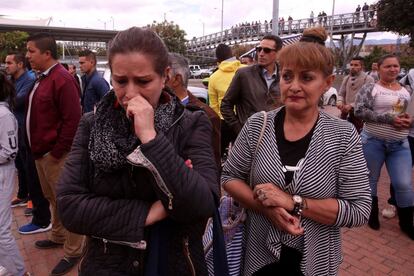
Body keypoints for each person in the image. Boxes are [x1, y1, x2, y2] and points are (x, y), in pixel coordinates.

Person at [56, 27, 219, 275]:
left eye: (143, 82)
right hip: (107, 264)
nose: (130, 94)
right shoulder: (92, 124)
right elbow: (70, 207)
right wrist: (147, 213)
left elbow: (202, 203)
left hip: (173, 261)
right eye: (121, 81)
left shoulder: (191, 123)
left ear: (165, 76)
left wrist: (151, 138)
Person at [221, 28, 371, 275]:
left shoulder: (342, 135)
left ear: (327, 83)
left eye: (307, 78)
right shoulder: (259, 124)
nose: (294, 86)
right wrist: (267, 209)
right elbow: (229, 178)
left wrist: (294, 202)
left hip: (316, 257)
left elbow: (359, 209)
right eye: (287, 76)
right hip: (259, 254)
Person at [25, 32, 84, 276]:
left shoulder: (61, 79)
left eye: (31, 51)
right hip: (42, 154)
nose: (27, 56)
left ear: (47, 54)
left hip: (55, 155)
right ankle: (59, 236)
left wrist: (58, 151)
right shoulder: (42, 78)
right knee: (53, 199)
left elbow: (73, 120)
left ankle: (74, 250)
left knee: (66, 202)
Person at [355, 54, 414, 240]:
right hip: (373, 141)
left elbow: (408, 113)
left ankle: (406, 223)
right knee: (371, 179)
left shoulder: (406, 90)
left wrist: (410, 121)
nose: (393, 69)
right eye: (388, 66)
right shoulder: (370, 87)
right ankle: (371, 215)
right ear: (378, 68)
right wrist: (389, 119)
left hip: (400, 144)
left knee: (403, 184)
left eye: (396, 66)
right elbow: (360, 110)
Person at [5, 52, 52, 235]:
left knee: (34, 176)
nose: (6, 65)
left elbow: (15, 102)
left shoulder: (31, 79)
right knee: (23, 170)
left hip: (29, 136)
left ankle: (42, 218)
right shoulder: (17, 80)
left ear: (20, 64)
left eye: (10, 62)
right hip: (20, 134)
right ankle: (25, 197)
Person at [221, 35, 283, 136]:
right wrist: (239, 129)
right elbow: (225, 105)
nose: (261, 54)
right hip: (248, 137)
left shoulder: (285, 76)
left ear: (278, 53)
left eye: (267, 50)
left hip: (275, 139)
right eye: (259, 49)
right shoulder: (244, 74)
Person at [167, 52, 221, 168]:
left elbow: (211, 169)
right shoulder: (152, 110)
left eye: (162, 76)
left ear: (176, 80)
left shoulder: (208, 116)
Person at [0, 72, 30, 276]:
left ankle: (18, 271)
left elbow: (9, 151)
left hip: (2, 174)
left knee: (1, 230)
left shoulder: (4, 115)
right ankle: (8, 265)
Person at [208, 44, 244, 158]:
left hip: (223, 121)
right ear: (232, 55)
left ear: (217, 59)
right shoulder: (246, 69)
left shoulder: (214, 77)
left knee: (217, 154)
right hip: (245, 119)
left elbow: (213, 105)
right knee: (244, 156)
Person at [337, 56, 374, 133]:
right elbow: (341, 93)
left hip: (359, 115)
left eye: (356, 65)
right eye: (351, 65)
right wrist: (340, 101)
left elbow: (366, 98)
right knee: (342, 135)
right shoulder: (346, 78)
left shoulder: (368, 79)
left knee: (357, 136)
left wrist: (351, 106)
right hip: (345, 113)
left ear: (362, 67)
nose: (352, 67)